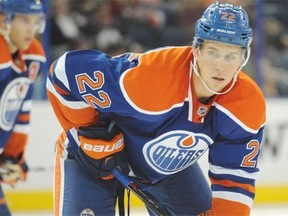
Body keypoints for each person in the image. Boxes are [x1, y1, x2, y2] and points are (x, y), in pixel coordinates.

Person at [47, 2, 266, 216]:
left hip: (167, 169)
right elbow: (64, 73)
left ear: (243, 58)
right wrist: (91, 134)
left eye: (231, 56)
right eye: (213, 52)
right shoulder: (153, 79)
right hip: (90, 161)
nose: (221, 66)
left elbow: (234, 178)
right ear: (196, 50)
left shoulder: (245, 105)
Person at [0, 0, 46, 215]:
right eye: (25, 20)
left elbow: (20, 108)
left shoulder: (31, 55)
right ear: (3, 21)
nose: (32, 29)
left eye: (35, 21)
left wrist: (13, 155)